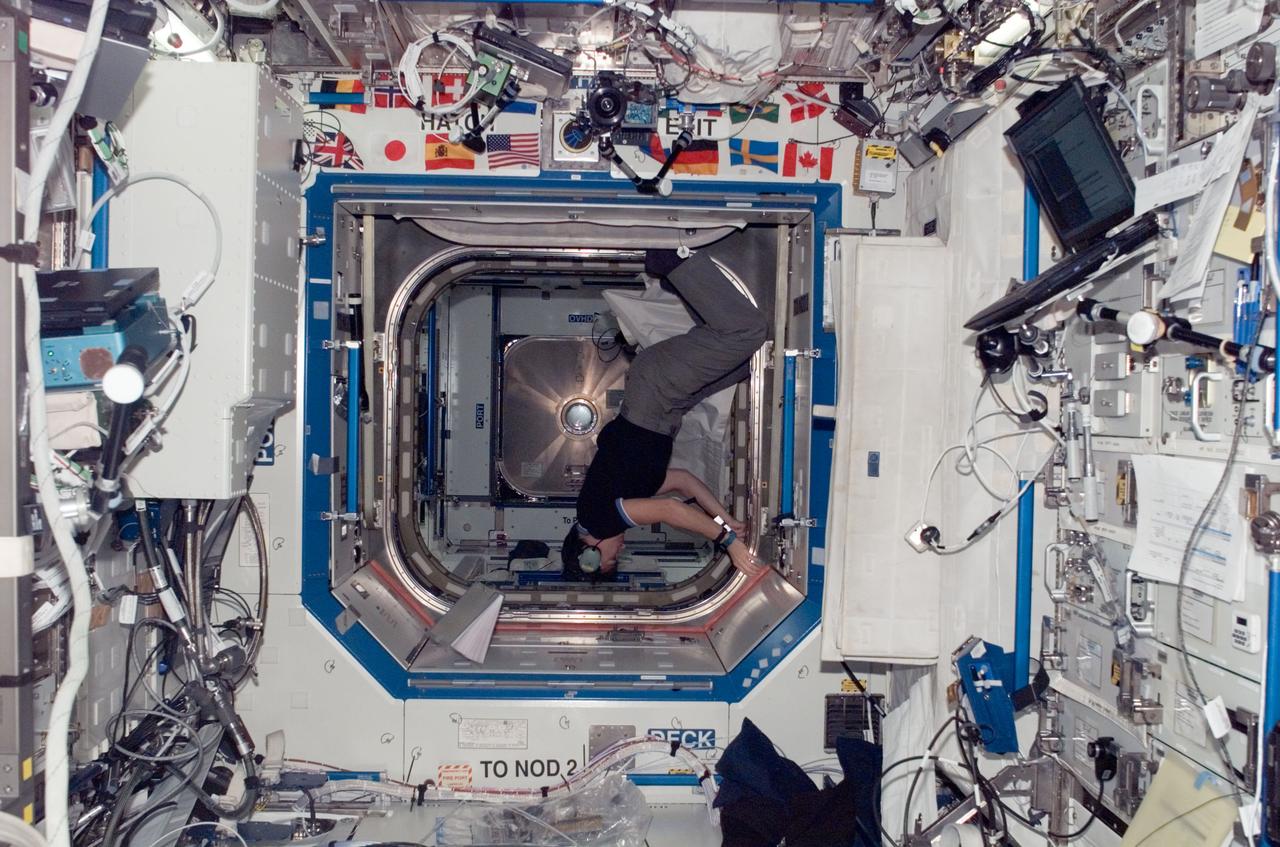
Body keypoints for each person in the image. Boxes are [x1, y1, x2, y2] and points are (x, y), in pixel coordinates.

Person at [561, 248, 768, 580]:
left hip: (657, 390)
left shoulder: (598, 519)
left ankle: (673, 263)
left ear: (590, 554)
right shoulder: (620, 498)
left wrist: (728, 541)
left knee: (747, 332)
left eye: (612, 559)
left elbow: (670, 509)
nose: (620, 551)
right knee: (748, 363)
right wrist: (723, 520)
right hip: (666, 401)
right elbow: (684, 483)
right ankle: (679, 285)